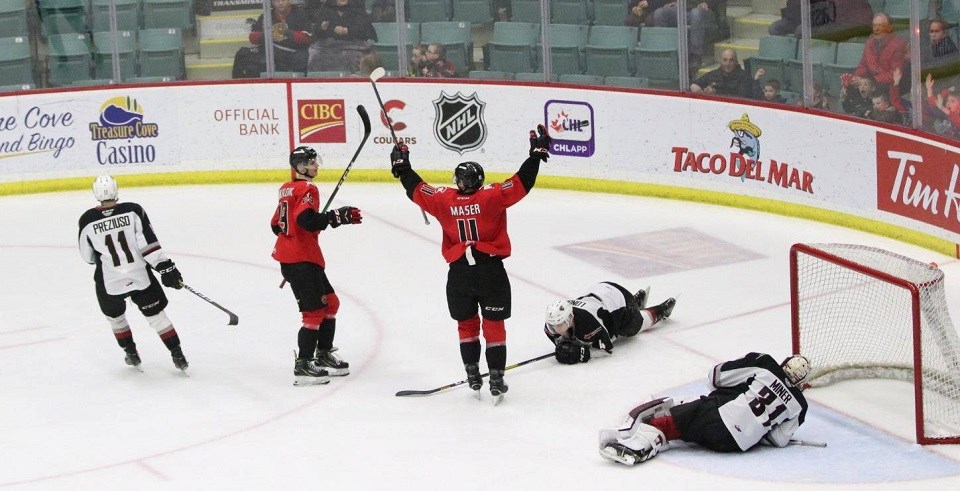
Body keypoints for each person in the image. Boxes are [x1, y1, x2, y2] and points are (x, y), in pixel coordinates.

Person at [388, 125, 552, 403]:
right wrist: (536, 154)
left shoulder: (443, 199)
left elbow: (415, 188)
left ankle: (473, 372)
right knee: (494, 324)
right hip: (490, 271)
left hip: (460, 274)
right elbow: (523, 181)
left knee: (466, 325)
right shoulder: (491, 197)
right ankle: (497, 376)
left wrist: (403, 167)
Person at [599, 352, 811, 466]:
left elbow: (715, 376)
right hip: (735, 445)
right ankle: (677, 429)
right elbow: (779, 440)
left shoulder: (764, 364)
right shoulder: (800, 406)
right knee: (691, 422)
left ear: (785, 363)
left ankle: (638, 447)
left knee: (666, 424)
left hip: (718, 419)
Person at [271, 146, 363, 386]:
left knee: (331, 303)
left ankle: (322, 353)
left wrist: (301, 231)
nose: (316, 166)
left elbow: (275, 225)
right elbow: (306, 220)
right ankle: (303, 364)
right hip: (300, 260)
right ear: (300, 167)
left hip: (297, 258)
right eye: (311, 163)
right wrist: (335, 217)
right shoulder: (308, 188)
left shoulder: (286, 189)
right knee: (313, 313)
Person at [78, 175, 189, 371]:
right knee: (157, 316)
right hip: (140, 276)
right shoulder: (133, 211)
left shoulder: (87, 220)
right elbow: (148, 246)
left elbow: (87, 257)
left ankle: (131, 353)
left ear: (96, 193)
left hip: (110, 281)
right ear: (116, 190)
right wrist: (166, 268)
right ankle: (178, 355)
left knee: (116, 318)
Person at [543, 282, 676, 364]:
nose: (555, 328)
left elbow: (607, 349)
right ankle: (636, 303)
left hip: (617, 298)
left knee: (633, 328)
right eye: (552, 325)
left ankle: (662, 309)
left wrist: (584, 354)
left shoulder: (588, 324)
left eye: (559, 324)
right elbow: (564, 339)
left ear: (569, 319)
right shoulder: (552, 325)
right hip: (601, 293)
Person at [244, 0, 312, 75]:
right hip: (273, 54)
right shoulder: (266, 16)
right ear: (272, 2)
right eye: (277, 0)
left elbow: (307, 38)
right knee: (243, 53)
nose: (280, 3)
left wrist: (287, 32)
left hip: (293, 53)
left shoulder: (299, 15)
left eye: (283, 0)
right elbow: (252, 37)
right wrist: (267, 33)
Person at [308, 0, 377, 72]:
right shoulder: (326, 7)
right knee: (314, 57)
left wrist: (347, 31)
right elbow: (317, 31)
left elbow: (364, 30)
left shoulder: (358, 6)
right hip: (328, 46)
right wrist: (322, 28)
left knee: (353, 58)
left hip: (354, 46)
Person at [651, 1, 720, 67]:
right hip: (682, 10)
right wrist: (674, 2)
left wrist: (708, 3)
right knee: (659, 13)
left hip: (704, 11)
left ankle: (695, 55)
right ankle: (663, 54)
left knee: (696, 13)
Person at [853, 13, 907, 92]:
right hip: (871, 86)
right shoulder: (869, 43)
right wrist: (857, 77)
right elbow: (863, 65)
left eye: (880, 26)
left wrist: (872, 80)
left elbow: (895, 75)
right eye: (874, 26)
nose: (876, 29)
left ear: (889, 28)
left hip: (890, 89)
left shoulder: (898, 45)